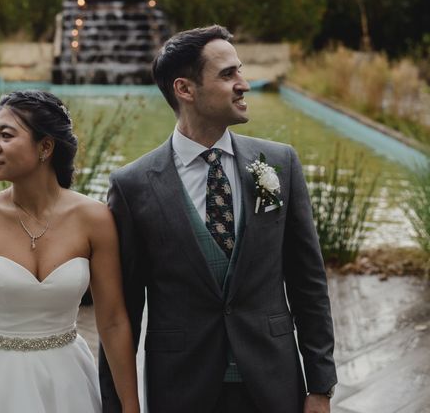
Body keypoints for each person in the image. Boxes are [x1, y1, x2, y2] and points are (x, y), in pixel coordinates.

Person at [99, 25, 337, 413]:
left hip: (274, 381)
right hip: (180, 387)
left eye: (240, 71)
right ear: (185, 89)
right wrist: (121, 405)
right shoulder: (133, 186)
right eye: (228, 75)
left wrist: (320, 386)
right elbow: (120, 313)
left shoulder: (280, 164)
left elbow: (308, 282)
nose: (244, 84)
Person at [0, 90, 139, 413]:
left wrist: (130, 405)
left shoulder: (94, 219)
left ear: (45, 147)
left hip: (68, 384)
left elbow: (112, 322)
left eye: (6, 135)